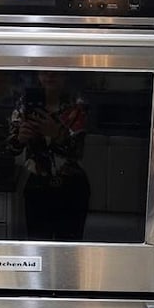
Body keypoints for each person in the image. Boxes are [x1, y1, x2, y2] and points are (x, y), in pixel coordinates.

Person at [7, 72, 90, 240]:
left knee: (69, 247)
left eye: (57, 72)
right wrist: (20, 139)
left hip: (72, 186)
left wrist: (57, 135)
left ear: (65, 75)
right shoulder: (25, 103)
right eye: (45, 72)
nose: (50, 76)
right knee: (38, 246)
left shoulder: (77, 105)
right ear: (38, 75)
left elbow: (78, 152)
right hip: (37, 185)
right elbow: (11, 149)